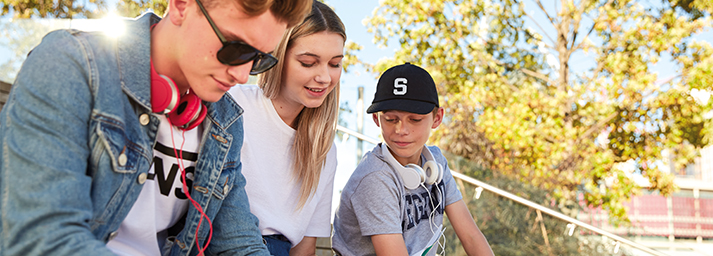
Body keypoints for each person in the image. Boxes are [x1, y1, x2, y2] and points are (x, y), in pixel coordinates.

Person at [0, 0, 311, 255]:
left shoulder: (226, 121)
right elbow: (43, 237)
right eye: (235, 49)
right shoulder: (71, 65)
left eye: (258, 60)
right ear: (181, 5)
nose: (243, 76)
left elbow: (239, 245)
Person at [332, 63, 494, 256]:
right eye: (391, 119)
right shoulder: (374, 179)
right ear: (377, 119)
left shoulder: (436, 163)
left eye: (415, 119)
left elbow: (471, 237)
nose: (401, 130)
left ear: (437, 118)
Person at [228, 1, 344, 255]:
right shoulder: (234, 105)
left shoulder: (324, 149)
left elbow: (305, 247)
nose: (325, 77)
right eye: (308, 62)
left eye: (334, 64)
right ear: (279, 57)